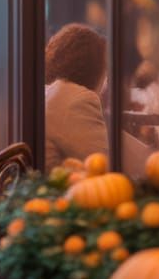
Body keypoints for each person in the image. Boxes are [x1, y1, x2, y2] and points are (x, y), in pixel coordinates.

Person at [43, 23, 110, 171]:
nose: (106, 82)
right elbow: (104, 166)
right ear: (95, 69)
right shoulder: (78, 100)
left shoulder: (51, 93)